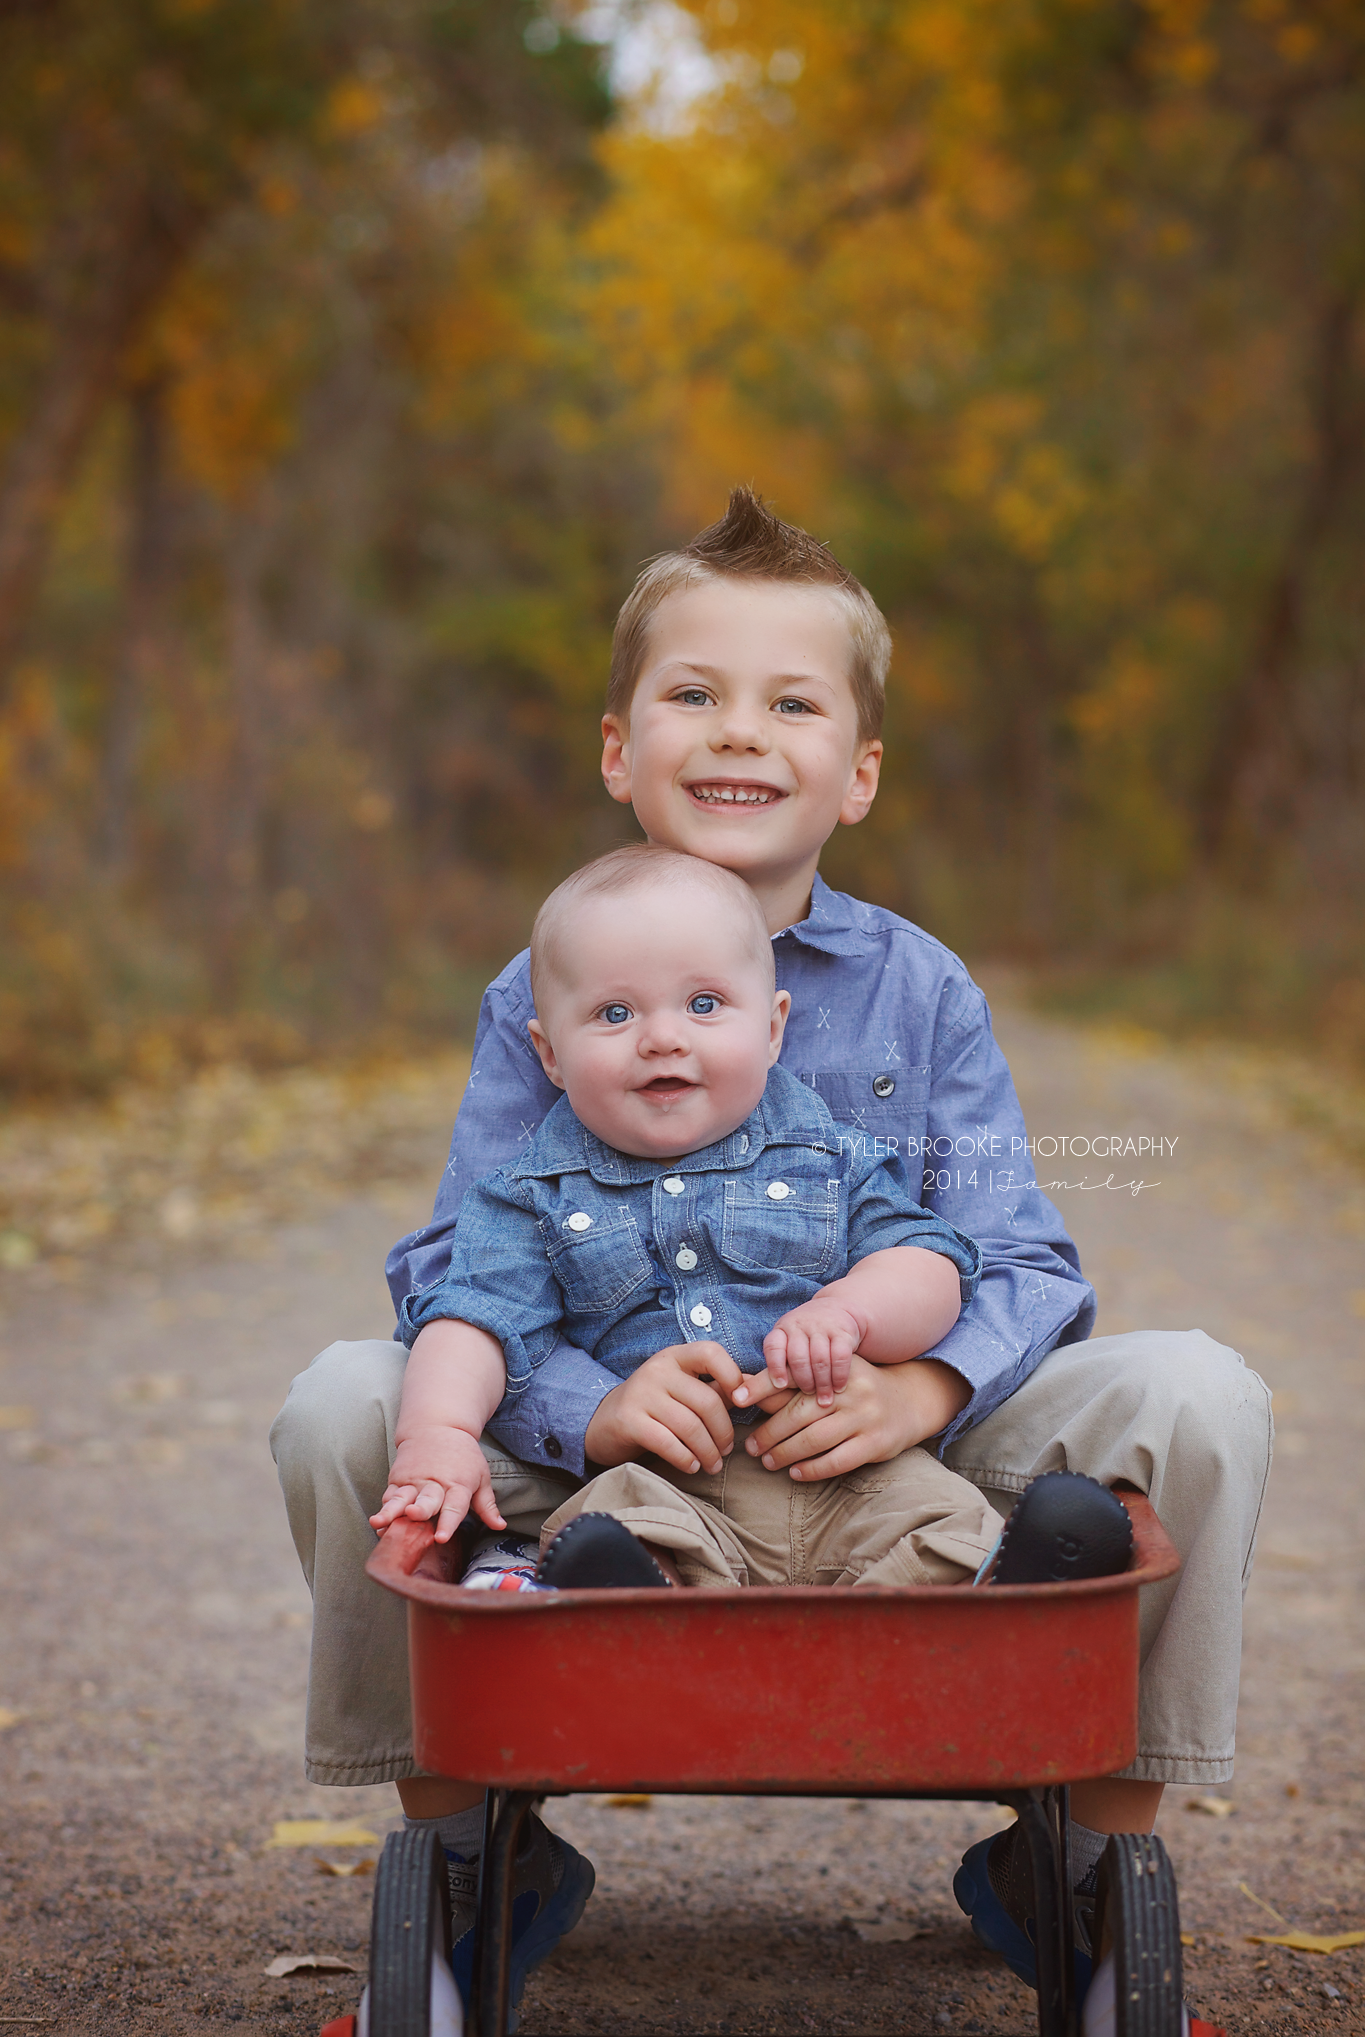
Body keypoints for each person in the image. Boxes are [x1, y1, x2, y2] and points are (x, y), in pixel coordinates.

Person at [270, 488, 1272, 2015]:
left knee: (1199, 1394)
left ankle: (1075, 1858)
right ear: (620, 750)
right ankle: (473, 1841)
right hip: (630, 1458)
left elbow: (1023, 1256)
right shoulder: (535, 993)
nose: (740, 733)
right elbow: (454, 1267)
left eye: (790, 703)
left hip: (879, 1437)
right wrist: (581, 1410)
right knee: (350, 1398)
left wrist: (924, 1383)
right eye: (694, 695)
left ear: (854, 773)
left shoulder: (918, 991)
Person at [371, 843, 1006, 1596]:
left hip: (847, 1470)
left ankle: (1012, 1578)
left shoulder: (829, 1157)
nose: (663, 1037)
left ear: (772, 1029)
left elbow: (926, 1262)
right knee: (603, 1526)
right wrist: (437, 1434)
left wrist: (850, 1312)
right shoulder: (532, 1195)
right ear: (548, 1054)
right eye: (614, 1013)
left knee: (951, 1520)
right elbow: (473, 1321)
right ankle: (635, 1593)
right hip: (664, 1484)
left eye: (703, 1005)